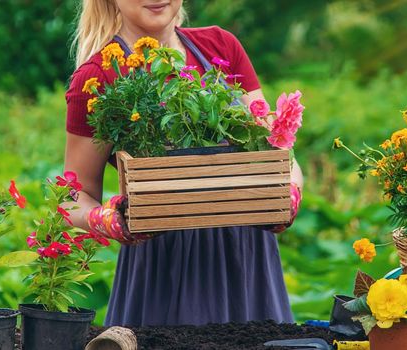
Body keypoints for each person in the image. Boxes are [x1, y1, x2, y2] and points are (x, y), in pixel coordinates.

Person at [63, 0, 304, 327]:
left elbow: (277, 148)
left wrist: (290, 192)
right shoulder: (99, 76)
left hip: (248, 259)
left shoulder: (221, 45)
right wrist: (109, 219)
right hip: (165, 266)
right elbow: (72, 196)